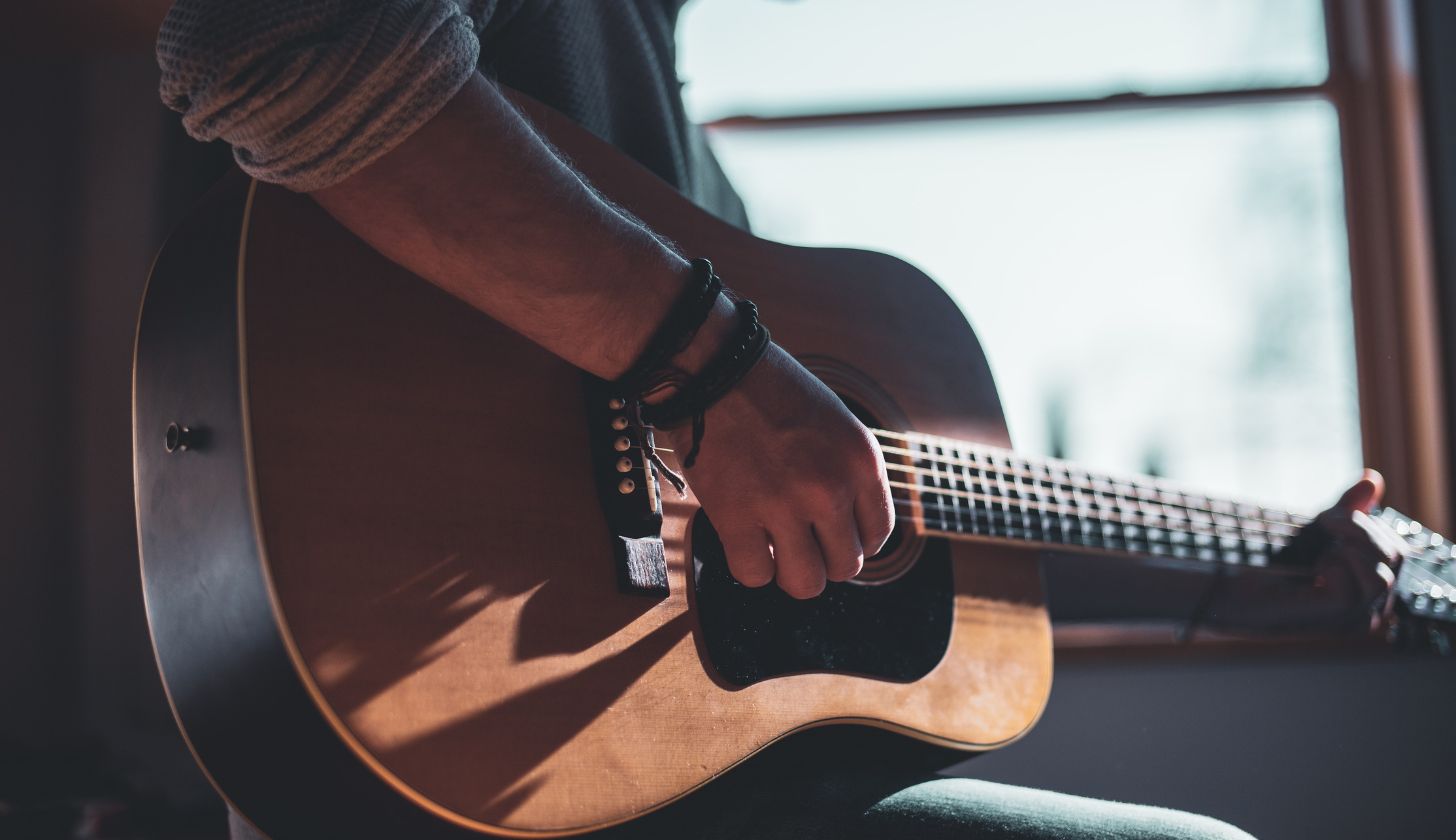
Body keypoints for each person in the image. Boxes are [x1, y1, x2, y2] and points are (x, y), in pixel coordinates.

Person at [156, 2, 1405, 838]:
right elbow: (281, 43)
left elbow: (853, 543)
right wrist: (711, 376)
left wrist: (1203, 576)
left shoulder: (680, 161)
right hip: (464, 764)